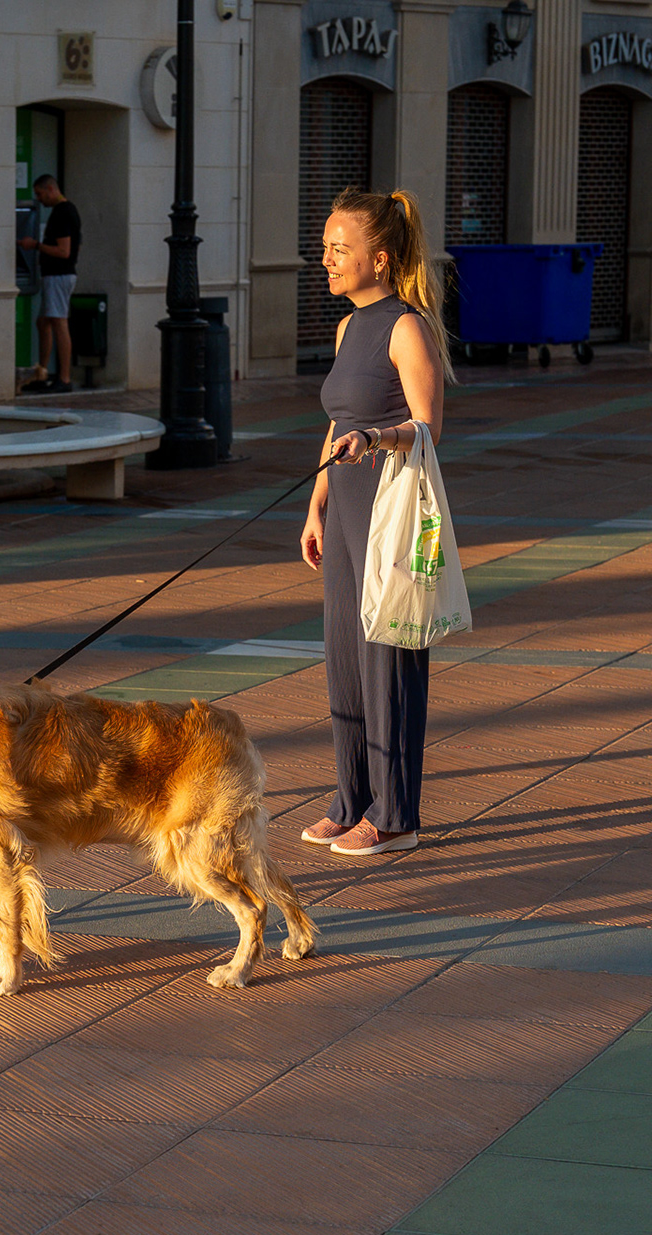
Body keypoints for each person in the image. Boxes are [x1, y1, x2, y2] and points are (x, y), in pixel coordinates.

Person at [298, 188, 453, 857]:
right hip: (344, 510)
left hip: (391, 512)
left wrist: (376, 438)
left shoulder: (405, 326)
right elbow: (337, 420)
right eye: (325, 247)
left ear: (380, 259)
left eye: (339, 249)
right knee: (345, 657)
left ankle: (395, 815)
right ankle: (352, 796)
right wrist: (316, 501)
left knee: (388, 657)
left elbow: (427, 428)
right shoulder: (347, 327)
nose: (325, 259)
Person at [18, 174, 80, 394]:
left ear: (51, 189)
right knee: (43, 322)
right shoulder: (61, 212)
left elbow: (64, 252)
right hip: (54, 275)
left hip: (59, 275)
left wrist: (35, 245)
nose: (39, 199)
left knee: (58, 322)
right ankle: (42, 373)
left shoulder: (64, 212)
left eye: (40, 194)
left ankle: (64, 378)